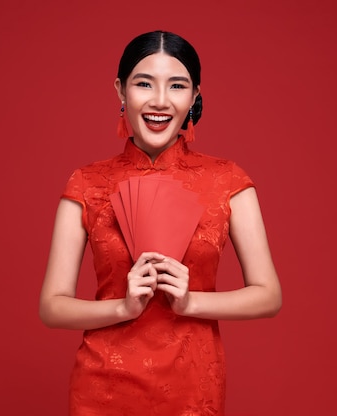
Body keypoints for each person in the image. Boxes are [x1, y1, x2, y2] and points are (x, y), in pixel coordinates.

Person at [39, 30, 282, 415]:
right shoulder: (86, 182)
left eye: (177, 86)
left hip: (192, 384)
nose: (160, 101)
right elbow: (52, 307)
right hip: (103, 385)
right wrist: (123, 308)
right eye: (143, 83)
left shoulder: (228, 180)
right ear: (121, 90)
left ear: (195, 96)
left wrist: (190, 302)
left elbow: (269, 295)